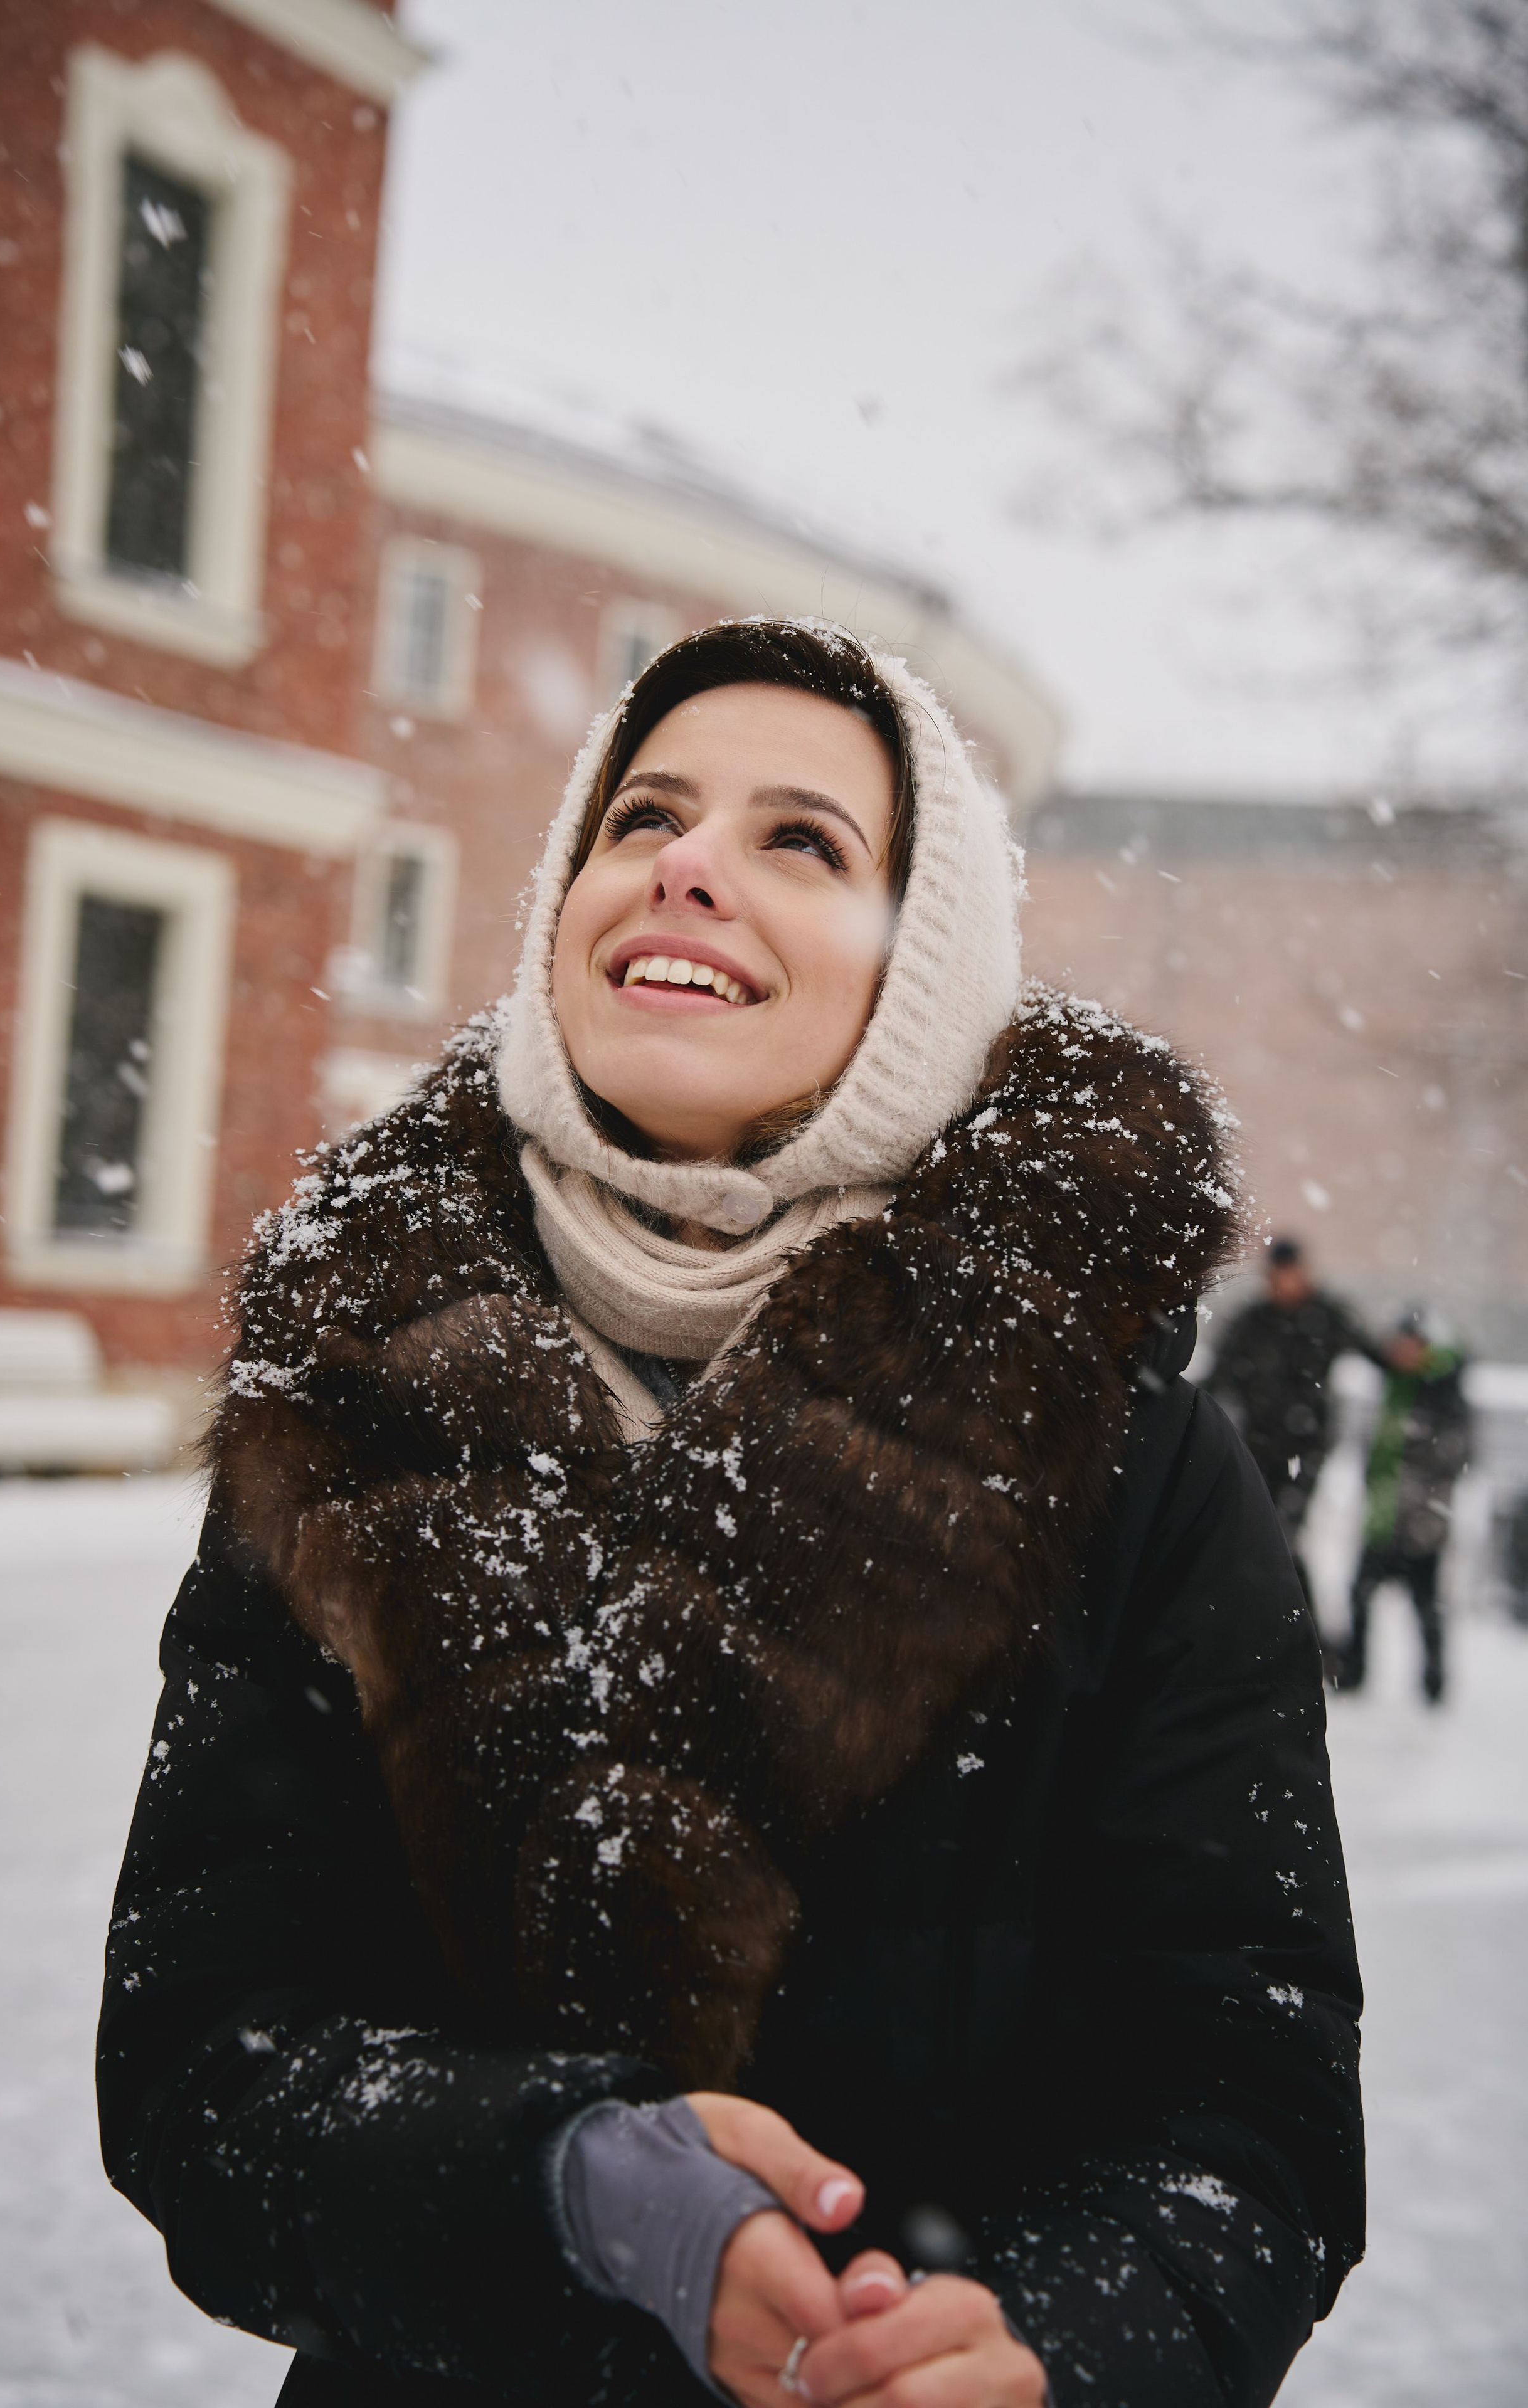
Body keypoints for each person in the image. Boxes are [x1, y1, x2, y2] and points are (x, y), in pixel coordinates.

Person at [98, 621, 1364, 2408]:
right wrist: (562, 2182)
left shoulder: (1139, 1477)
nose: (685, 865)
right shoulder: (343, 1415)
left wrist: (1053, 2344)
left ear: (919, 971)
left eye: (803, 841)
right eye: (646, 817)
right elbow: (199, 2066)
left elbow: (1251, 2109)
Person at [1204, 1238, 1374, 1655]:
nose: (1288, 1284)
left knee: (1282, 1538)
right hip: (1257, 1449)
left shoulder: (1327, 1318)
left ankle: (1303, 1640)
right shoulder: (1252, 1322)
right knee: (1260, 1540)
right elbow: (1217, 1380)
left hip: (1307, 1451)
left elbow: (1381, 1354)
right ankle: (1283, 1638)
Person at [1338, 1309, 1471, 1703]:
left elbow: (1454, 1454)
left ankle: (1434, 1685)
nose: (1401, 1352)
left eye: (1409, 1344)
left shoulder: (1442, 1388)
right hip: (1382, 1515)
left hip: (1421, 1522)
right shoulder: (1396, 1380)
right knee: (1360, 1596)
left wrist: (1420, 1503)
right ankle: (1354, 1673)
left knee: (1426, 1607)